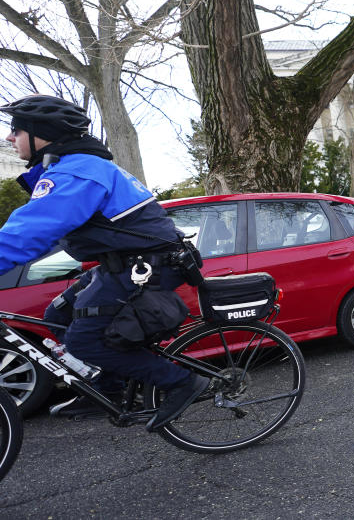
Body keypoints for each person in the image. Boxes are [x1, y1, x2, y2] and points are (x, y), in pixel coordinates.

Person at [0, 95, 208, 430]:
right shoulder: (73, 167)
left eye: (17, 130)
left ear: (43, 133)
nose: (10, 137)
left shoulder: (77, 173)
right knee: (58, 315)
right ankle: (109, 387)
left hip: (147, 265)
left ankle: (181, 382)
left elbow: (29, 232)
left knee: (83, 339)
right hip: (125, 262)